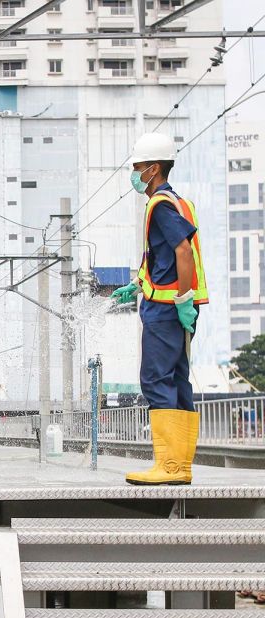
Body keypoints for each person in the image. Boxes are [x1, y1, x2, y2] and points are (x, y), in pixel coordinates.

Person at [111, 132, 207, 485]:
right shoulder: (180, 202)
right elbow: (163, 258)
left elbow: (182, 252)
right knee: (177, 381)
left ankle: (167, 466)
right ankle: (180, 466)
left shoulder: (161, 205)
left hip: (168, 309)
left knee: (155, 380)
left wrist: (182, 300)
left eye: (137, 168)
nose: (134, 174)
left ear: (153, 169)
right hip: (174, 307)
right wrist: (137, 285)